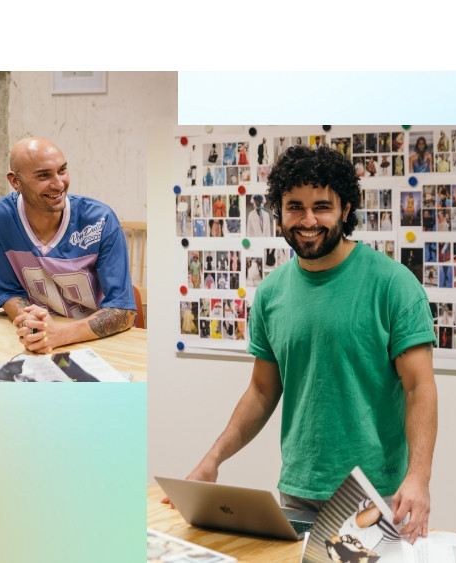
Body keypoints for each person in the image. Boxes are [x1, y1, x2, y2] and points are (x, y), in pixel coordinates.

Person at [170, 145, 437, 544]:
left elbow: (419, 388)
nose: (308, 220)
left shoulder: (393, 284)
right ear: (278, 211)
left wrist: (418, 478)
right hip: (296, 491)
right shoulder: (272, 292)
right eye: (295, 206)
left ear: (346, 210)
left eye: (322, 207)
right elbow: (261, 391)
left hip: (374, 494)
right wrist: (213, 461)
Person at [0, 137, 136, 354]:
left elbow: (123, 311)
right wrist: (33, 325)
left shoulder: (100, 219)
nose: (59, 183)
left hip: (99, 343)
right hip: (42, 343)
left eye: (62, 171)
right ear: (15, 181)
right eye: (44, 175)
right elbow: (6, 291)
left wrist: (59, 335)